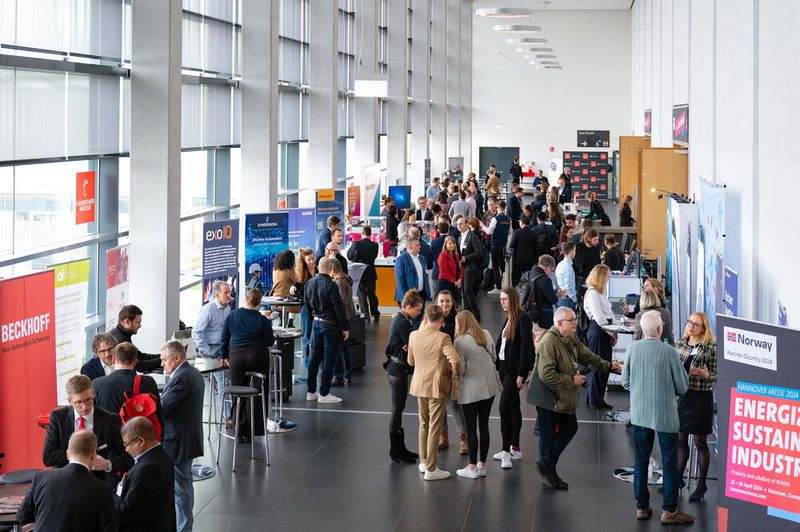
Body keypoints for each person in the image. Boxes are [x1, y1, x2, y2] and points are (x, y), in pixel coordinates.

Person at [529, 307, 621, 489]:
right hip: (548, 397)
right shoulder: (549, 342)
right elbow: (546, 374)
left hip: (560, 396)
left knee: (568, 428)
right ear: (559, 323)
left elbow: (586, 355)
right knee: (549, 436)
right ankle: (548, 472)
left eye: (575, 319)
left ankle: (546, 466)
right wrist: (573, 379)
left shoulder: (569, 337)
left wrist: (608, 366)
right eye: (571, 320)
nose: (575, 323)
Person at [622, 311, 693, 524]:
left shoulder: (632, 349)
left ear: (642, 329)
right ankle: (670, 510)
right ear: (660, 330)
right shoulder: (669, 352)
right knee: (669, 463)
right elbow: (682, 386)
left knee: (641, 460)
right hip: (666, 417)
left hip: (640, 415)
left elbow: (625, 382)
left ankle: (642, 507)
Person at [18, 430, 117, 531]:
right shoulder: (102, 490)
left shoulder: (40, 477)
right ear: (93, 454)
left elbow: (22, 516)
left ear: (68, 453)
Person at [43, 375, 132, 481]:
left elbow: (128, 455)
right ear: (70, 401)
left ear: (93, 394)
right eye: (79, 402)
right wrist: (77, 455)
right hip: (66, 480)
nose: (84, 407)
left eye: (88, 400)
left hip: (99, 482)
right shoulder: (58, 418)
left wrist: (108, 465)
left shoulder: (110, 419)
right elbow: (48, 457)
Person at [408, 304, 461, 481]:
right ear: (441, 321)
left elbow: (411, 361)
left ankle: (424, 462)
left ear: (425, 318)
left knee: (423, 424)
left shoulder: (413, 335)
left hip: (419, 385)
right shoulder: (443, 338)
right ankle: (431, 468)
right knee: (434, 427)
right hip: (437, 387)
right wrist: (453, 375)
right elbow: (455, 360)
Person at [159, 340, 205, 532]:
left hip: (179, 441)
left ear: (176, 358)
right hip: (186, 438)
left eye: (164, 360)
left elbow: (163, 408)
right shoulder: (192, 373)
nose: (162, 364)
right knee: (183, 484)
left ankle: (184, 528)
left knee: (181, 489)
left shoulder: (181, 379)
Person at [219, 288, 275, 440]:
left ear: (245, 299)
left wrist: (224, 355)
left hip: (236, 357)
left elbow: (224, 338)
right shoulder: (262, 320)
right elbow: (270, 341)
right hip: (257, 357)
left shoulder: (232, 316)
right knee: (257, 390)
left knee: (238, 391)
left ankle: (239, 428)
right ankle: (255, 428)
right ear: (259, 303)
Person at [676, 311, 717, 503]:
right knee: (681, 440)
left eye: (696, 324)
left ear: (703, 329)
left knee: (700, 443)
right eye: (689, 322)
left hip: (701, 399)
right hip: (683, 397)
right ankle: (677, 479)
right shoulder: (680, 344)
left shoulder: (711, 348)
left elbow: (716, 376)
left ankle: (701, 485)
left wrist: (705, 374)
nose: (691, 326)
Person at [454, 311, 502, 479]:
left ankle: (472, 467)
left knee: (470, 428)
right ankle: (482, 465)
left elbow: (461, 368)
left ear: (460, 324)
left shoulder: (459, 342)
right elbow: (494, 357)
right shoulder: (486, 334)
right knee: (484, 425)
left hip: (471, 390)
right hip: (490, 387)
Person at [493, 288, 532, 470]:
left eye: (505, 299)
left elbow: (526, 348)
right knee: (514, 407)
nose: (502, 302)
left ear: (513, 300)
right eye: (501, 300)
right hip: (504, 369)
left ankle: (506, 451)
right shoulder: (509, 318)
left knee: (504, 408)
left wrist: (521, 374)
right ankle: (515, 447)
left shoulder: (523, 318)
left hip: (513, 372)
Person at [385, 290, 425, 464]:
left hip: (395, 368)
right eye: (417, 310)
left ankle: (400, 448)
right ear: (409, 307)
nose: (418, 313)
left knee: (399, 409)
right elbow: (413, 346)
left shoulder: (399, 319)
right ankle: (395, 449)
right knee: (397, 409)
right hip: (397, 371)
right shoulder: (403, 323)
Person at [116, 417, 176, 531]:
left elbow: (128, 511)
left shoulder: (148, 469)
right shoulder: (161, 456)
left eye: (127, 444)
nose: (126, 450)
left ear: (141, 441)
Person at [305, 256, 350, 404]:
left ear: (318, 267)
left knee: (314, 358)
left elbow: (308, 307)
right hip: (330, 325)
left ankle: (311, 391)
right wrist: (345, 327)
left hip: (317, 323)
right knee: (329, 359)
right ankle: (324, 393)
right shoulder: (331, 285)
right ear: (331, 269)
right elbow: (339, 308)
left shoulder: (309, 283)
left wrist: (314, 321)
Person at [94, 342, 163, 426]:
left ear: (113, 359)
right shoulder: (147, 382)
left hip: (109, 437)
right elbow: (158, 413)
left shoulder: (97, 384)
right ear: (135, 362)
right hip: (138, 436)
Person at [192, 280, 232, 415]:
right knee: (224, 380)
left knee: (233, 375)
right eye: (225, 292)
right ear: (216, 294)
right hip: (212, 350)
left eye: (229, 292)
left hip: (224, 347)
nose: (229, 295)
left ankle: (231, 410)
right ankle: (227, 416)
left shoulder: (227, 307)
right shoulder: (208, 309)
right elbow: (196, 332)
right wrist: (206, 350)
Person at [434, 290, 467, 454]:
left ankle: (464, 439)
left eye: (447, 301)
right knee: (440, 404)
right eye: (442, 301)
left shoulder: (458, 319)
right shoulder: (432, 319)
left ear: (452, 302)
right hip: (437, 367)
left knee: (453, 404)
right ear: (437, 303)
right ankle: (443, 437)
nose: (445, 304)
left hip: (453, 367)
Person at [583, 265, 616, 408]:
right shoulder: (592, 294)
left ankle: (594, 397)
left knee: (604, 366)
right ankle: (595, 400)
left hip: (604, 330)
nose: (609, 279)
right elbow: (599, 317)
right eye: (607, 276)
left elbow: (608, 314)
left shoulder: (600, 293)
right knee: (598, 366)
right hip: (599, 330)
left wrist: (613, 331)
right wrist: (611, 332)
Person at [108, 305, 163, 373]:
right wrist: (165, 359)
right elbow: (139, 366)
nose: (140, 326)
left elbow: (140, 356)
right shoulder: (120, 339)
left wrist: (164, 355)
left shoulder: (121, 334)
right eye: (138, 322)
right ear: (127, 322)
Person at [394, 237, 431, 329]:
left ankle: (416, 340)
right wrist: (405, 298)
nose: (420, 247)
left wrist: (428, 293)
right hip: (408, 296)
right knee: (409, 322)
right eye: (417, 245)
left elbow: (425, 276)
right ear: (410, 247)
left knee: (418, 320)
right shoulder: (401, 259)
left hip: (421, 294)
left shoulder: (422, 258)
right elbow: (400, 281)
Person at [347, 225, 380, 322]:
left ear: (362, 233)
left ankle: (366, 316)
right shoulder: (375, 245)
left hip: (359, 273)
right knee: (372, 294)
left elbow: (349, 256)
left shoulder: (357, 244)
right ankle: (376, 314)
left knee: (361, 295)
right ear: (370, 234)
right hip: (371, 273)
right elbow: (374, 257)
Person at [331, 258, 355, 386]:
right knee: (345, 348)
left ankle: (340, 376)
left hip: (342, 318)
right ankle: (347, 375)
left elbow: (341, 301)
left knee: (340, 348)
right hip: (348, 316)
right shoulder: (346, 278)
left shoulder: (339, 282)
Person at [291, 247, 316, 367]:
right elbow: (296, 291)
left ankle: (316, 362)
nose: (312, 262)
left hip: (319, 308)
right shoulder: (300, 277)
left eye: (312, 258)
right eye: (309, 260)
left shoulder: (318, 271)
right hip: (307, 309)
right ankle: (308, 364)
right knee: (307, 336)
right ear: (304, 262)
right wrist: (293, 288)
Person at [529, 254, 561, 347]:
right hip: (542, 317)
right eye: (551, 270)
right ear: (547, 267)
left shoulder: (531, 273)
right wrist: (556, 294)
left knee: (535, 339)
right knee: (541, 342)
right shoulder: (545, 280)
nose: (551, 273)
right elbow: (553, 299)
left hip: (533, 313)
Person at [456, 216, 483, 322]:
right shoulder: (459, 238)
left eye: (461, 224)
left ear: (466, 224)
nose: (459, 226)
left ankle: (476, 315)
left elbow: (479, 252)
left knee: (467, 290)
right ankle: (467, 315)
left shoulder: (472, 236)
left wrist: (466, 258)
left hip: (470, 268)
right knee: (463, 291)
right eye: (457, 224)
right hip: (462, 268)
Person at [483, 199, 511, 295]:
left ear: (498, 207)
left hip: (495, 245)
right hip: (504, 245)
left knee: (495, 266)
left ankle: (498, 287)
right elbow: (510, 233)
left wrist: (483, 226)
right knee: (502, 265)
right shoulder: (508, 219)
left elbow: (489, 232)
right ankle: (503, 285)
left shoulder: (495, 219)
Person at [268, 250, 298, 323]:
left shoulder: (275, 270)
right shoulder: (289, 272)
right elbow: (298, 280)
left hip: (275, 301)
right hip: (286, 302)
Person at [508, 215, 538, 286]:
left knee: (516, 280)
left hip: (518, 260)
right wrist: (536, 260)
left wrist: (508, 257)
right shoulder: (533, 234)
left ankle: (516, 295)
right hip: (530, 261)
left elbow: (511, 246)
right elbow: (536, 249)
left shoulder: (517, 232)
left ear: (521, 222)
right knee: (529, 281)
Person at [437, 236, 462, 304]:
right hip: (445, 283)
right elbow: (444, 271)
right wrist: (454, 281)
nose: (452, 245)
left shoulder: (456, 255)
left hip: (455, 283)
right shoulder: (442, 255)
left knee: (456, 304)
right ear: (446, 244)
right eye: (450, 243)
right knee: (446, 306)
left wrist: (460, 279)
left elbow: (460, 269)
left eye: (454, 243)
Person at [555, 242, 578, 310]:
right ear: (571, 251)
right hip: (567, 300)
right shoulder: (567, 267)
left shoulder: (561, 264)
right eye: (575, 250)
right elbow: (568, 285)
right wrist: (574, 298)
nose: (575, 252)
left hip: (562, 297)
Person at [430, 221, 450, 290]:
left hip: (437, 271)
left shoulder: (434, 242)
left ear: (438, 230)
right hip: (450, 272)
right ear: (448, 229)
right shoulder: (453, 241)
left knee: (437, 295)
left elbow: (431, 257)